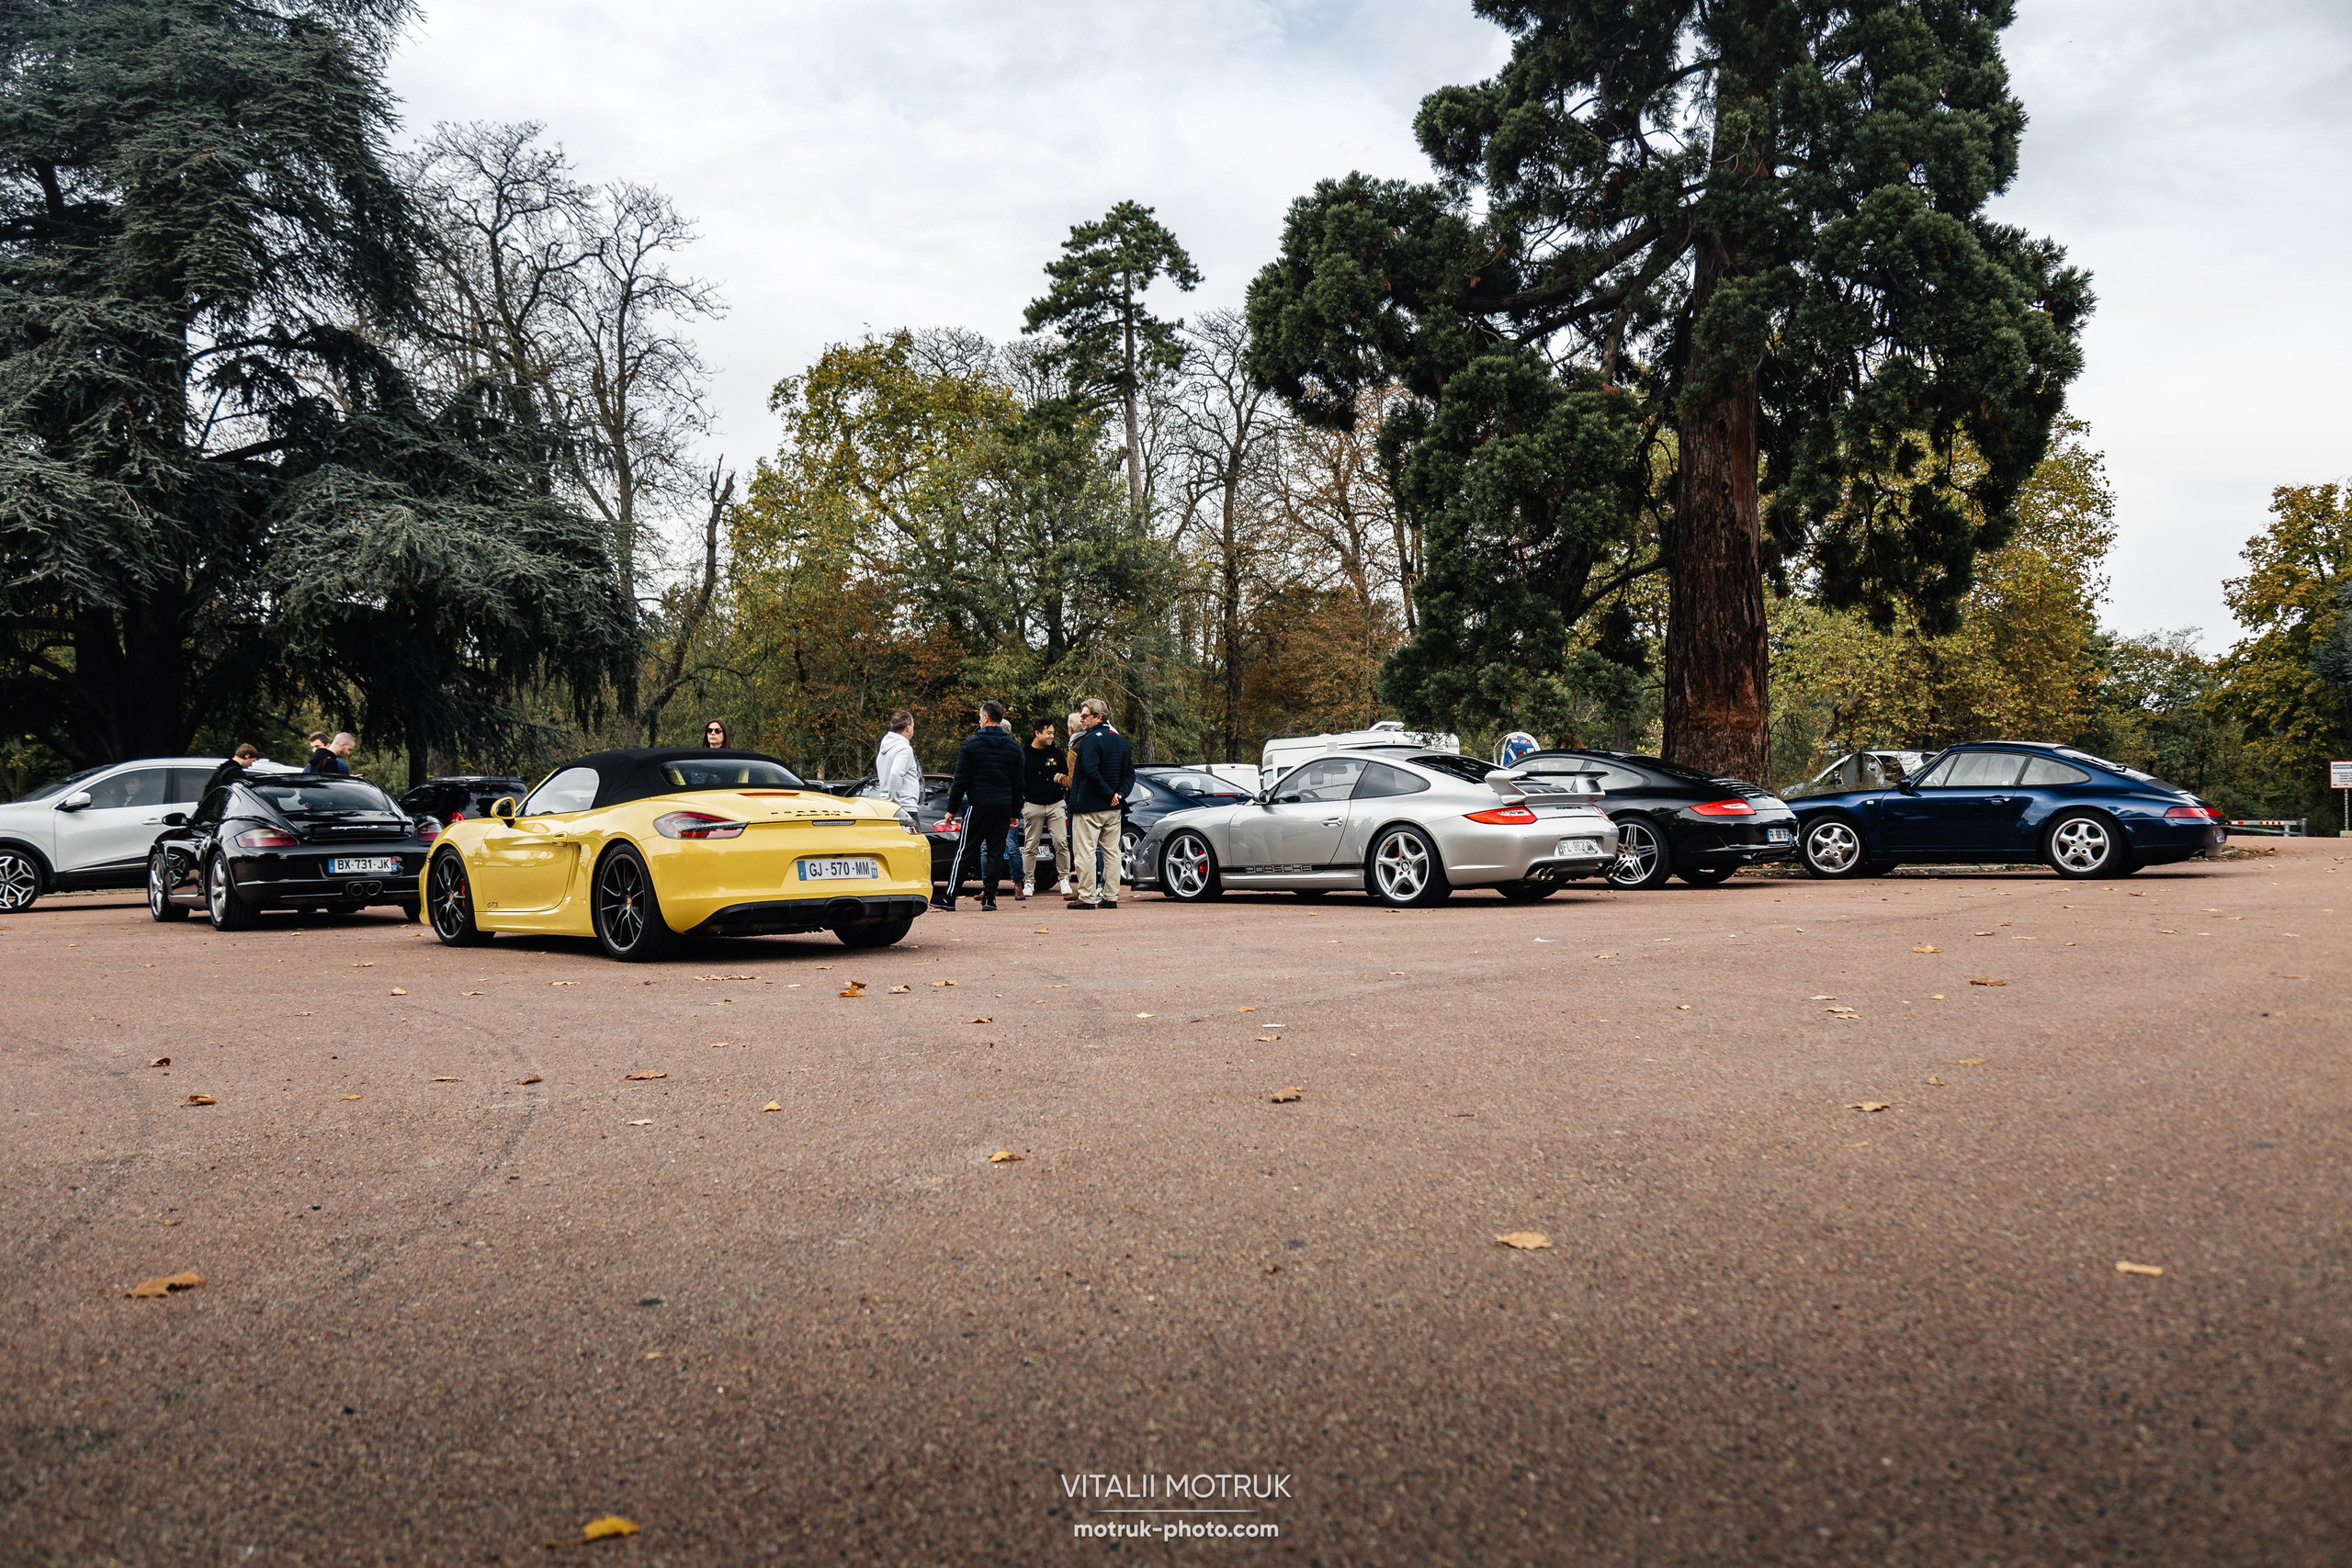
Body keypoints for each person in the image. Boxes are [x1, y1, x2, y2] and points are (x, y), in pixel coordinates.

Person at [937, 700, 1023, 912]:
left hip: (979, 804)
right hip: (1002, 805)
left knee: (965, 850)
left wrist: (951, 809)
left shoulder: (971, 744)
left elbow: (961, 780)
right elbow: (1019, 783)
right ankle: (990, 898)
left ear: (986, 717)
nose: (978, 720)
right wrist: (1015, 813)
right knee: (995, 852)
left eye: (979, 716)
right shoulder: (1014, 748)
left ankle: (949, 897)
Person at [1066, 696, 1134, 910]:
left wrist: (1108, 794)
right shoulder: (1120, 740)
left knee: (1085, 851)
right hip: (1113, 808)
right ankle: (1111, 895)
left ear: (1099, 717)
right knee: (1112, 852)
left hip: (1089, 805)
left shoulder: (1090, 740)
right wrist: (1119, 795)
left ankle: (1086, 896)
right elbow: (1130, 773)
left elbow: (1089, 770)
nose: (1082, 720)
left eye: (1085, 716)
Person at [1019, 717, 1069, 902]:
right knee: (1030, 845)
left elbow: (1067, 776)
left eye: (1053, 733)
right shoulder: (1023, 754)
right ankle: (1029, 881)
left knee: (1061, 842)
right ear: (1037, 733)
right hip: (1032, 805)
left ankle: (1064, 878)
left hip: (1055, 803)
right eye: (1048, 733)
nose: (1051, 736)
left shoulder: (1056, 754)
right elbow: (1018, 779)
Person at [876, 710, 922, 817]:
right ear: (908, 727)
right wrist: (895, 803)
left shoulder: (884, 749)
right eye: (913, 726)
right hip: (904, 807)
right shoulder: (904, 748)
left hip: (885, 806)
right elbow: (895, 774)